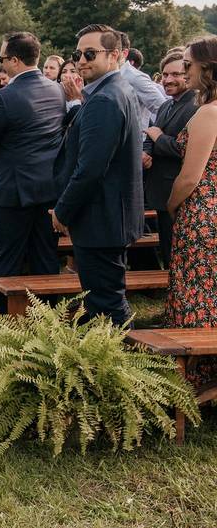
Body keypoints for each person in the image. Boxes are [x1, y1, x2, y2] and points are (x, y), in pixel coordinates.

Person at [53, 25, 144, 327]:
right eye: (77, 54)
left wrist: (63, 211)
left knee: (107, 304)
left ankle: (125, 367)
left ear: (115, 55)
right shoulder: (110, 92)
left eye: (90, 54)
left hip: (102, 218)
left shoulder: (106, 98)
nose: (81, 60)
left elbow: (91, 168)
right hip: (107, 216)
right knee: (102, 301)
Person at [0, 32, 66, 312]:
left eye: (1, 58)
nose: (0, 63)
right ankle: (49, 318)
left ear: (13, 60)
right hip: (47, 188)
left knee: (6, 260)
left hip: (12, 191)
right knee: (46, 258)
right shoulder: (55, 89)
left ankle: (3, 322)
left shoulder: (3, 98)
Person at [166, 37, 217, 327]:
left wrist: (172, 204)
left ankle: (195, 371)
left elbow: (189, 177)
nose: (184, 71)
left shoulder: (208, 113)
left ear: (208, 68)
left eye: (188, 64)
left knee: (196, 292)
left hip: (202, 212)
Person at [142, 50, 197, 268]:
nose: (168, 80)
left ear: (188, 74)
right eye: (164, 75)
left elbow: (186, 149)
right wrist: (146, 152)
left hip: (182, 196)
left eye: (175, 74)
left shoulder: (197, 106)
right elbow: (151, 133)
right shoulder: (166, 105)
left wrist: (159, 138)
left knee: (182, 262)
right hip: (161, 194)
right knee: (169, 255)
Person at [118, 31, 166, 130]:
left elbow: (162, 108)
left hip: (134, 143)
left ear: (124, 53)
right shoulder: (105, 75)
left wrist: (159, 136)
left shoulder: (134, 77)